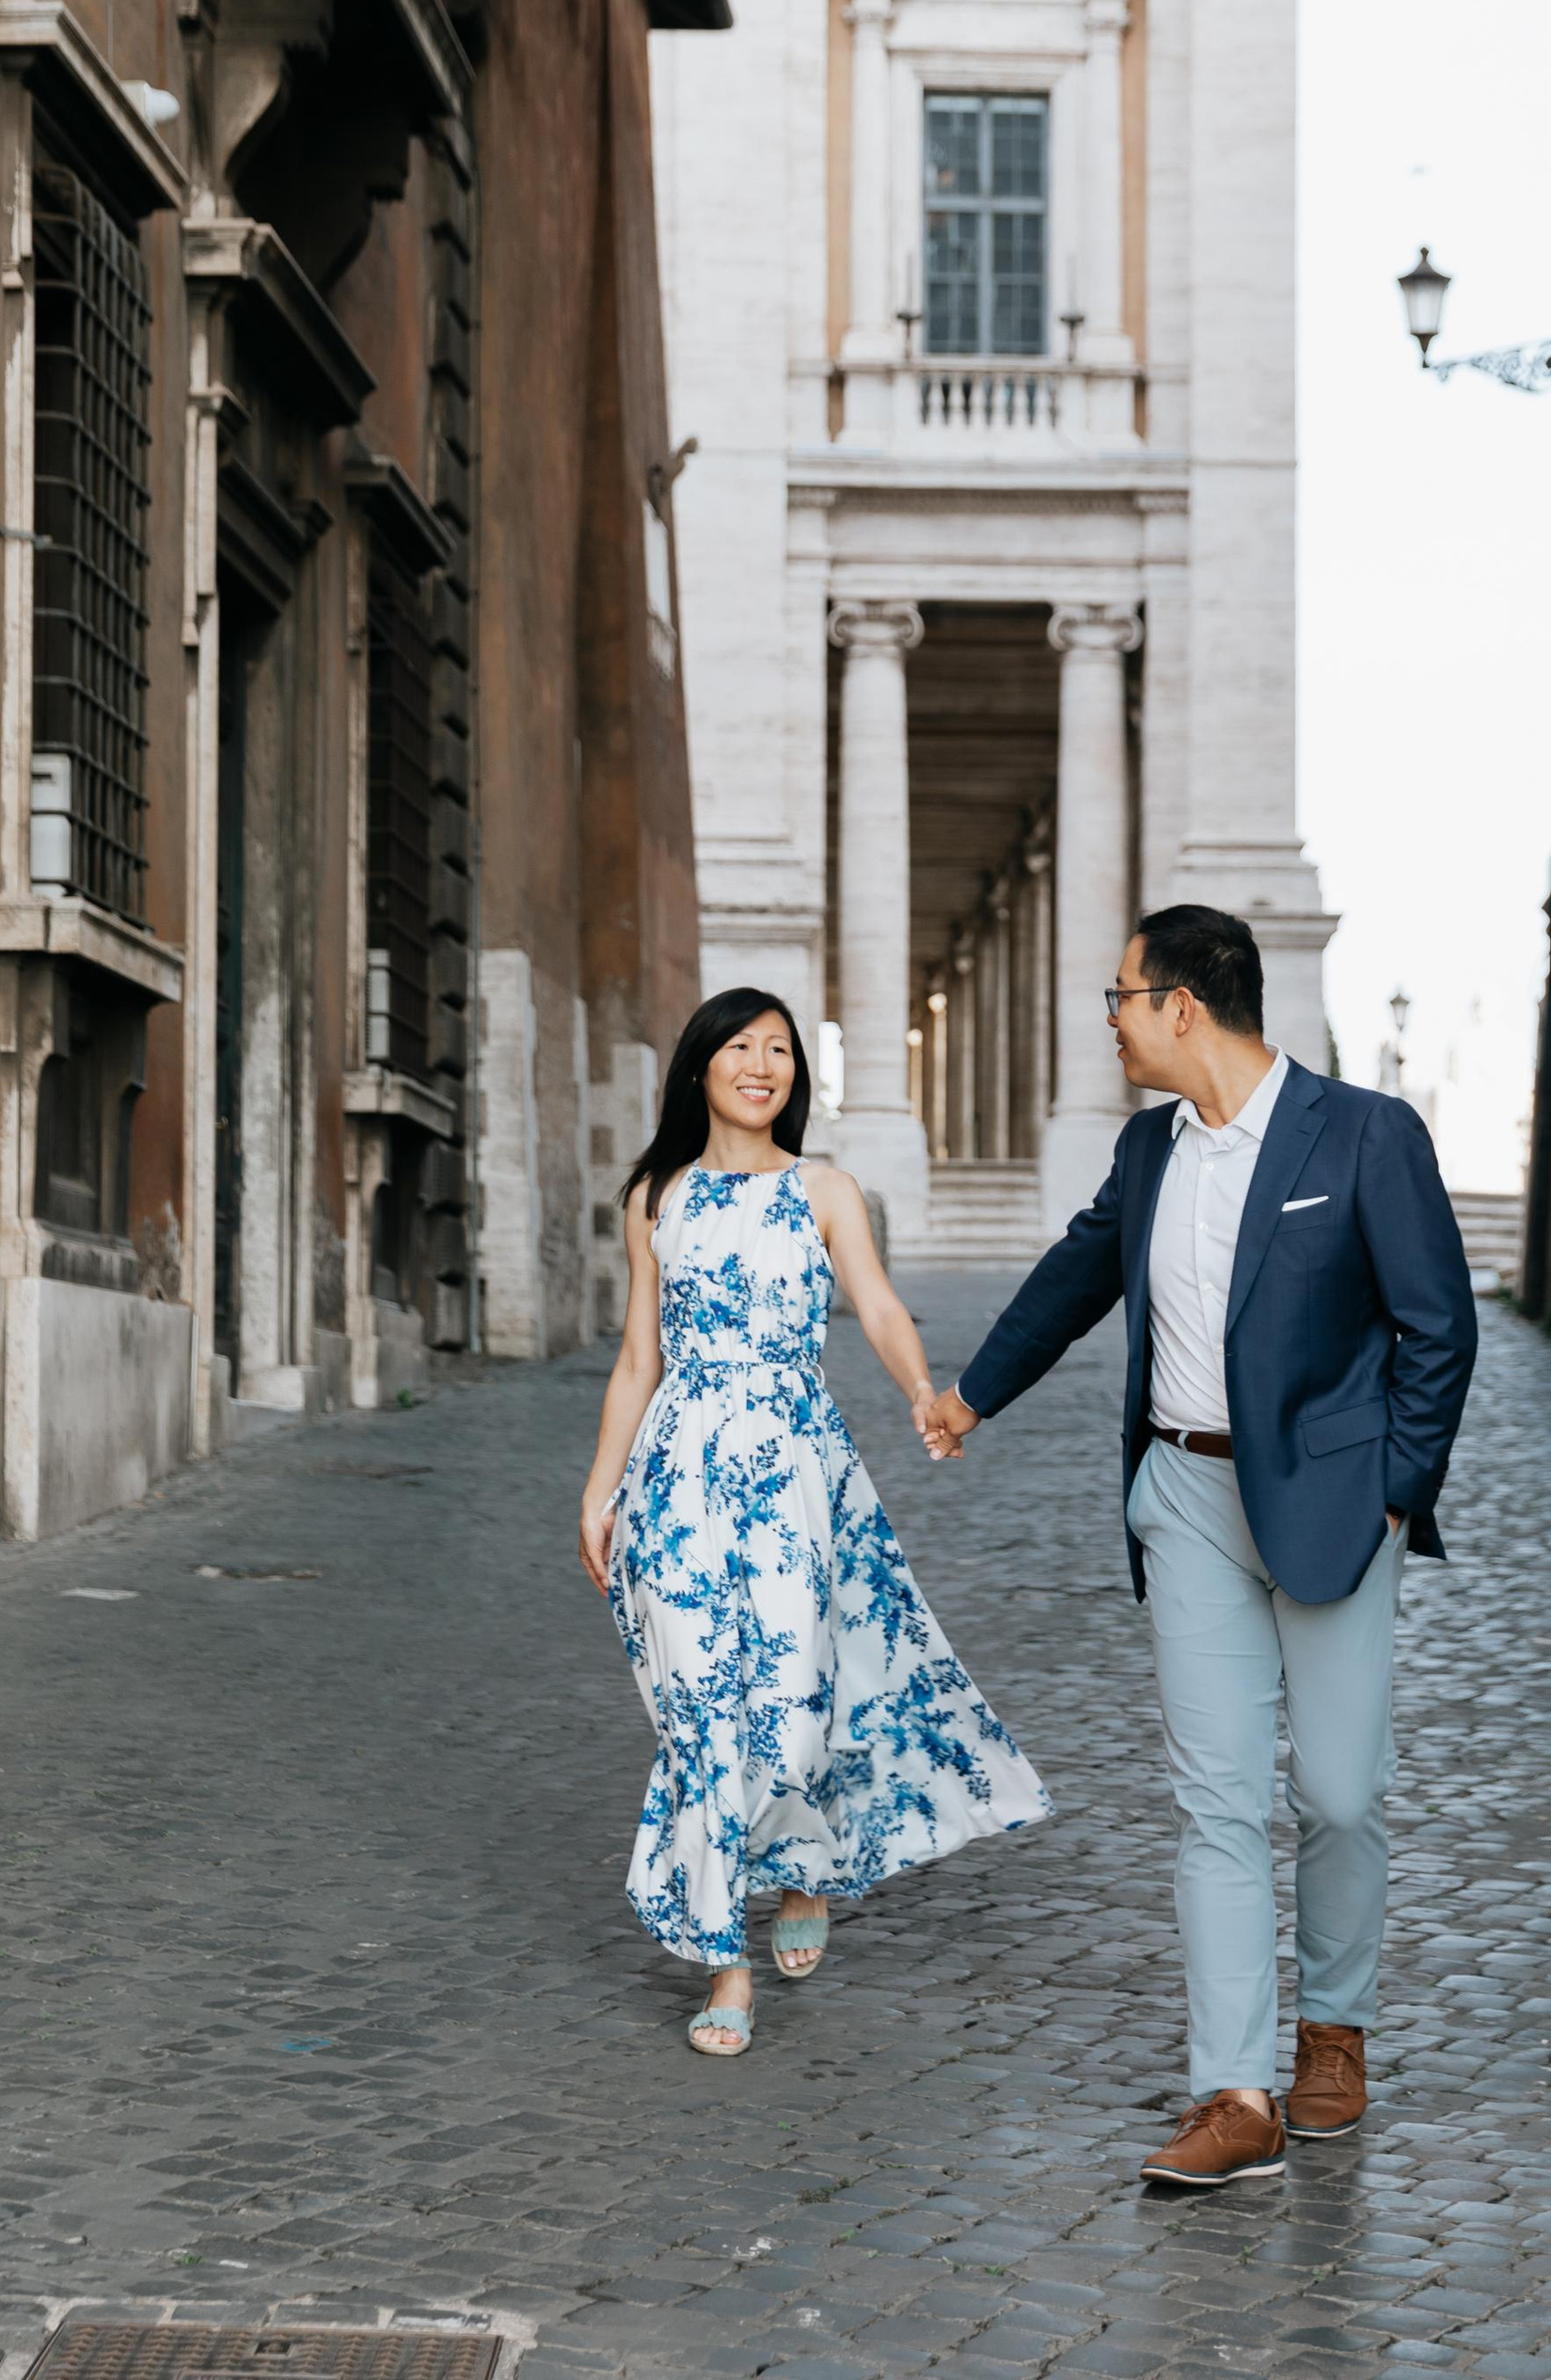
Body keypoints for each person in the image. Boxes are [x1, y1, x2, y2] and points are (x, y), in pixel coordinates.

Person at [927, 905, 1475, 2184]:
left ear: (1184, 1007)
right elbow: (1076, 1278)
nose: (1109, 1022)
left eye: (1120, 998)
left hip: (1333, 1509)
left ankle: (1334, 2030)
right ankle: (1234, 2093)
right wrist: (971, 1395)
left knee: (1339, 1793)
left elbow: (1437, 1328)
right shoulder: (1149, 1150)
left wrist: (1396, 1488)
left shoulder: (1364, 1133)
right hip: (1183, 1499)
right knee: (1214, 1804)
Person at [579, 985, 1048, 2055]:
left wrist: (926, 1394)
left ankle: (803, 1871)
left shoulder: (827, 1189)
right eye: (739, 1047)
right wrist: (600, 1490)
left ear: (799, 1074)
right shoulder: (656, 1196)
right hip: (680, 1481)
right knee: (700, 1708)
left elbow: (875, 1303)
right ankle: (725, 1967)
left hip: (796, 1476)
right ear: (699, 1065)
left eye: (779, 1050)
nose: (760, 1064)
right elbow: (636, 1359)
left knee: (791, 1699)